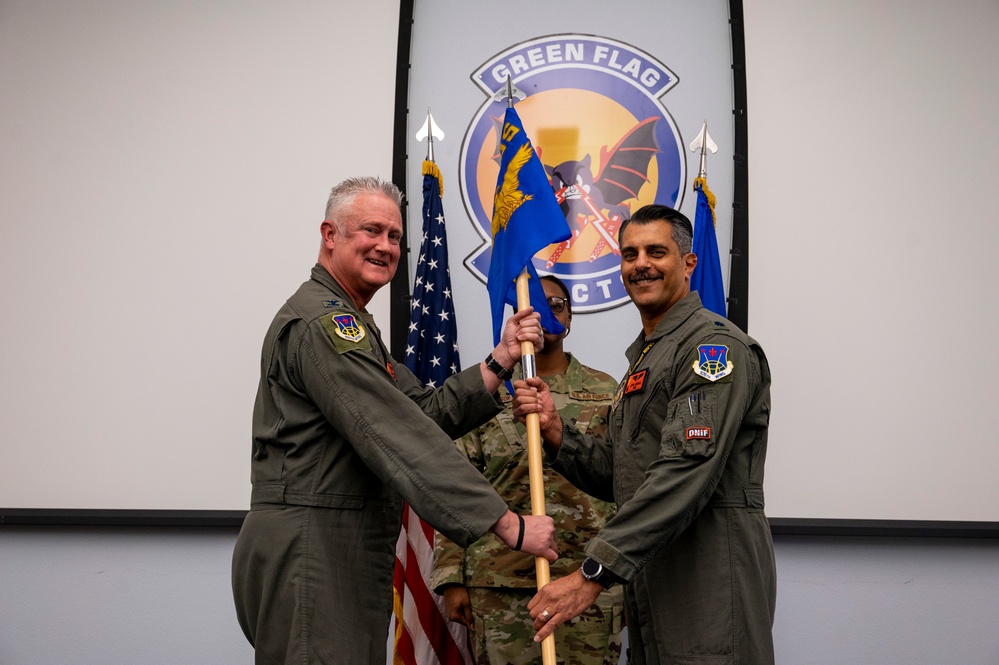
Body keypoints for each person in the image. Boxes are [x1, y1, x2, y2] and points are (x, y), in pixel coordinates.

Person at [231, 176, 559, 665]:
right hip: (312, 544)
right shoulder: (325, 325)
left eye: (394, 236)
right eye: (371, 231)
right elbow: (397, 436)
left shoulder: (351, 321)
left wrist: (500, 360)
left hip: (334, 544)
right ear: (330, 235)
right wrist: (507, 524)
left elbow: (420, 413)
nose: (385, 246)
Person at [514, 204, 776, 665]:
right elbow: (625, 474)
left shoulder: (714, 349)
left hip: (706, 577)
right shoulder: (648, 358)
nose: (641, 265)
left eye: (657, 252)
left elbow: (683, 472)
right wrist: (557, 433)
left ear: (689, 263)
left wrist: (593, 573)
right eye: (630, 254)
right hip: (650, 573)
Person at [429, 275, 624, 665]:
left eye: (558, 304)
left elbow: (625, 480)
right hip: (498, 581)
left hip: (582, 580)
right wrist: (451, 576)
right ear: (522, 316)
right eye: (538, 304)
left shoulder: (607, 390)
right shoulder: (487, 392)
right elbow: (454, 482)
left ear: (570, 317)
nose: (549, 312)